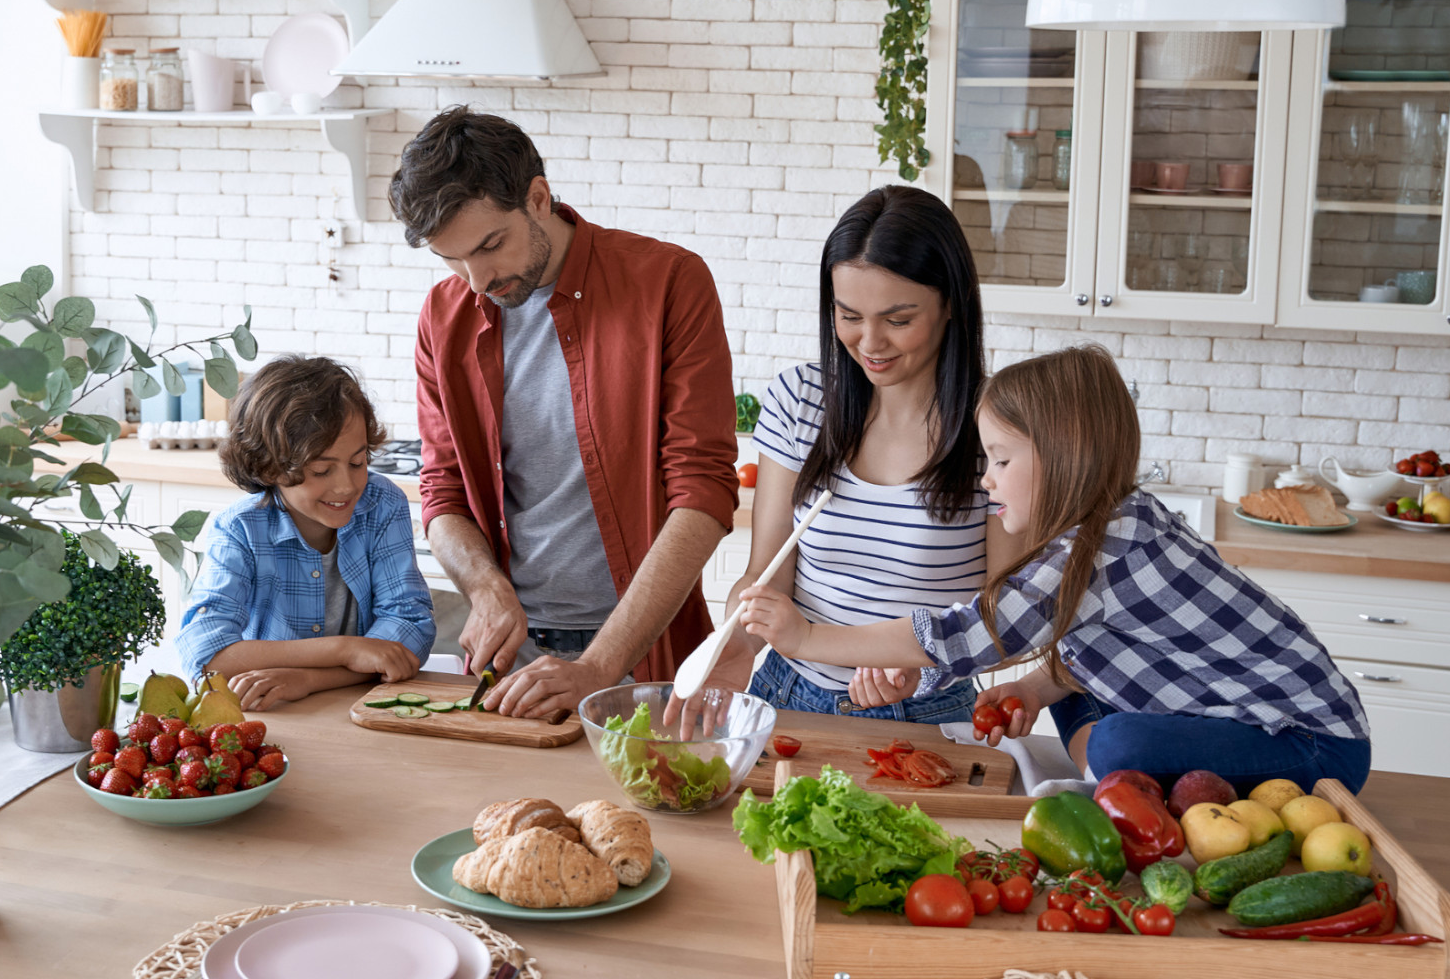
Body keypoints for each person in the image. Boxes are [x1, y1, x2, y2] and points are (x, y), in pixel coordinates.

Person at [738, 344, 1373, 793]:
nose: (986, 479)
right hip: (1230, 713)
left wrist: (807, 639)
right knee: (1084, 688)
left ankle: (1110, 770)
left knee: (1122, 745)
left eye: (1002, 460)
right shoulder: (1107, 522)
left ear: (1064, 457)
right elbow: (1071, 641)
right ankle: (1109, 760)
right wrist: (1035, 689)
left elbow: (970, 633)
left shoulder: (1107, 545)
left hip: (1309, 741)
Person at [396, 106, 739, 719]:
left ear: (537, 198)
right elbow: (441, 491)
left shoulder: (669, 282)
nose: (476, 281)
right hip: (509, 664)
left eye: (490, 246)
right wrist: (485, 588)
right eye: (452, 260)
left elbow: (704, 493)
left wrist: (598, 667)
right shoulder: (443, 316)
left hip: (639, 655)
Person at [680, 185, 1017, 729]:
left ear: (951, 301)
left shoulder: (997, 430)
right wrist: (735, 644)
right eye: (849, 315)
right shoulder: (801, 400)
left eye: (899, 319)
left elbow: (1005, 619)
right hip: (785, 695)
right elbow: (764, 577)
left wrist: (921, 668)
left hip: (927, 715)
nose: (870, 342)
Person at [176, 355, 436, 710]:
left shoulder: (382, 504)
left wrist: (309, 679)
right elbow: (204, 655)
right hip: (273, 716)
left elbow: (410, 632)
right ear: (268, 468)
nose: (347, 486)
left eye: (357, 462)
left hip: (362, 707)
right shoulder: (240, 529)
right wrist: (346, 648)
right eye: (321, 470)